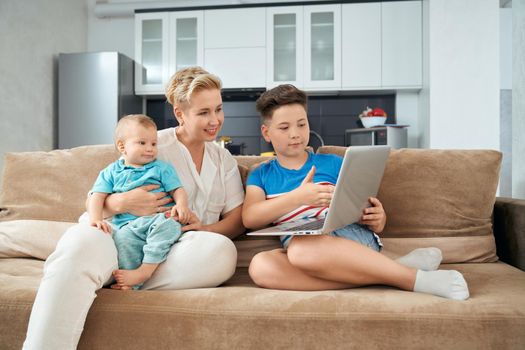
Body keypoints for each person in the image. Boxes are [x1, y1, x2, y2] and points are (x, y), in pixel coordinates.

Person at [23, 67, 245, 349]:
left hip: (175, 250)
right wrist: (122, 202)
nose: (215, 120)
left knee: (221, 253)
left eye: (218, 110)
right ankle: (96, 272)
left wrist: (206, 228)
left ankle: (115, 275)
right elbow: (98, 195)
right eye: (204, 113)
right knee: (78, 244)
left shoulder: (223, 159)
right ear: (180, 113)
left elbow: (237, 219)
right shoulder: (149, 142)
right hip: (118, 232)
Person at [243, 84, 469, 300]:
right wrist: (298, 197)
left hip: (348, 239)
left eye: (302, 124)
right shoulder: (261, 174)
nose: (295, 134)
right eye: (284, 128)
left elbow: (364, 205)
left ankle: (413, 280)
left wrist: (378, 218)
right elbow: (251, 218)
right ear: (266, 133)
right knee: (260, 267)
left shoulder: (333, 163)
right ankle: (391, 271)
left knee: (301, 248)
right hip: (304, 252)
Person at [88, 114, 192, 290]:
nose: (150, 148)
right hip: (128, 225)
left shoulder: (162, 168)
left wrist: (181, 205)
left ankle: (145, 271)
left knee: (171, 226)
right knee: (122, 240)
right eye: (142, 143)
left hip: (159, 219)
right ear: (122, 146)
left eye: (153, 143)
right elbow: (97, 196)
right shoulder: (111, 172)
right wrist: (96, 218)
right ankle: (130, 281)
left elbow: (177, 190)